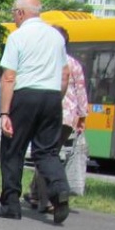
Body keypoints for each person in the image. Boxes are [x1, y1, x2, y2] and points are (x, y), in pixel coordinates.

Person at [0, 0, 70, 223]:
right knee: (47, 151)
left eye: (14, 12)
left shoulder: (18, 37)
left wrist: (5, 112)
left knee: (13, 149)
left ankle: (11, 205)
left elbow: (9, 76)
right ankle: (59, 190)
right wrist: (56, 99)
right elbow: (65, 74)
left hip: (25, 95)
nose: (13, 16)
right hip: (52, 96)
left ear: (22, 13)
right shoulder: (56, 37)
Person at [25, 26, 89, 211]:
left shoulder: (43, 61)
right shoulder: (74, 63)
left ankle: (49, 199)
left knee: (44, 156)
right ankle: (37, 194)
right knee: (50, 155)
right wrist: (82, 116)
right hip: (68, 117)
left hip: (46, 113)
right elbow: (81, 91)